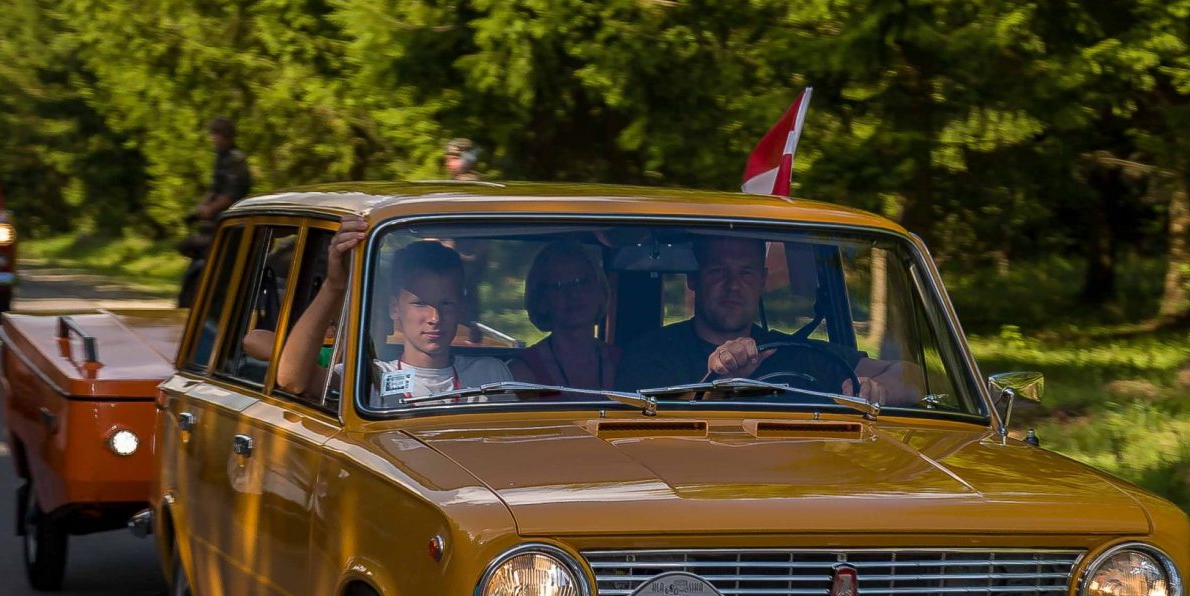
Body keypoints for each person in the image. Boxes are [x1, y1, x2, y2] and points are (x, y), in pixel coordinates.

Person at [617, 236, 921, 404]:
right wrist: (719, 383)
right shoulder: (650, 354)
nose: (733, 285)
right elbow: (644, 437)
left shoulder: (796, 353)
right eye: (718, 271)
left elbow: (913, 376)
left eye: (746, 273)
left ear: (762, 281)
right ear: (693, 279)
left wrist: (879, 390)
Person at [277, 215, 511, 406]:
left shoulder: (490, 373)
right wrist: (333, 285)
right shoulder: (370, 377)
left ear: (461, 308)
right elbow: (291, 380)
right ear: (394, 308)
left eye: (446, 304)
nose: (435, 318)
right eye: (420, 303)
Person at [512, 240, 620, 390]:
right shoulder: (521, 373)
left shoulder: (626, 363)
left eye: (581, 282)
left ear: (600, 291)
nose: (572, 294)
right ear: (542, 300)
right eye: (557, 286)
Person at [178, 116, 252, 307]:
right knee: (188, 246)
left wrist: (210, 209)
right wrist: (201, 208)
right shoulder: (222, 157)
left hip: (232, 221)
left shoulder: (235, 159)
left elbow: (230, 195)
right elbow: (215, 189)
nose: (213, 138)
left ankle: (212, 298)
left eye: (217, 134)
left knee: (217, 260)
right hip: (217, 220)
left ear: (227, 135)